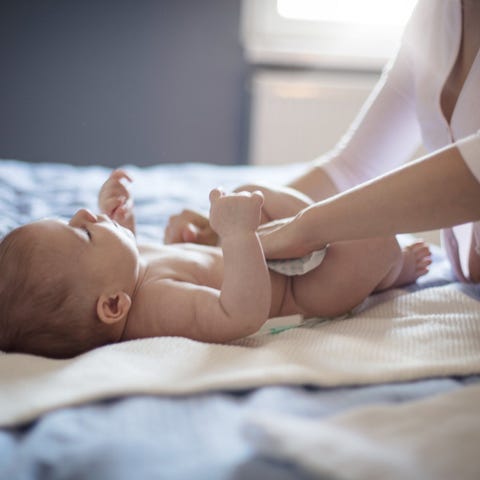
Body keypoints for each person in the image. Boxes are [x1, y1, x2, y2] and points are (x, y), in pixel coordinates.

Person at [164, 0, 480, 283]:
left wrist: (305, 228)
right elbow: (352, 168)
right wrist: (239, 220)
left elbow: (472, 174)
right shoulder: (435, 15)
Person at [0, 169, 430, 359]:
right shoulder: (157, 306)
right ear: (113, 306)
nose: (83, 215)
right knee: (374, 238)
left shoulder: (120, 278)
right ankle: (396, 271)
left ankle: (312, 225)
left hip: (274, 256)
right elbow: (239, 314)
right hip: (302, 289)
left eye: (74, 218)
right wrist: (239, 235)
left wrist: (119, 221)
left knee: (249, 192)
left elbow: (134, 256)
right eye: (84, 233)